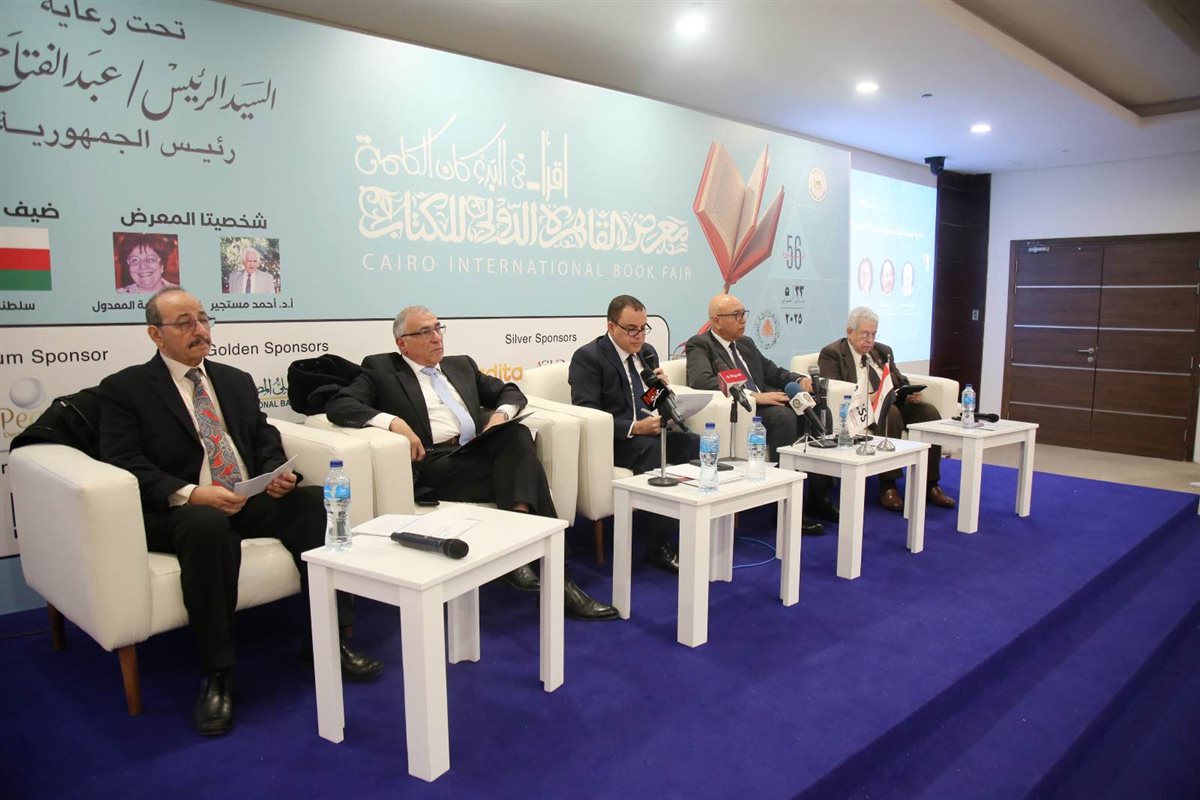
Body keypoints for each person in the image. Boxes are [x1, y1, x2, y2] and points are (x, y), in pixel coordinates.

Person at [98, 288, 383, 738]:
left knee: (314, 503)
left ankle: (329, 640)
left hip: (247, 496)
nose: (199, 330)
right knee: (208, 526)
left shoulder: (234, 379)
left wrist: (277, 474)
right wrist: (192, 493)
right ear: (155, 334)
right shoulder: (125, 388)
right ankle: (218, 673)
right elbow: (124, 461)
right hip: (183, 508)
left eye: (203, 319)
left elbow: (263, 437)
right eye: (185, 323)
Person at [326, 306, 618, 622]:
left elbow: (510, 392)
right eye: (425, 332)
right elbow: (340, 405)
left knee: (515, 433)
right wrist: (393, 422)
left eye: (438, 328)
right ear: (402, 343)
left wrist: (499, 416)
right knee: (528, 470)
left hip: (475, 454)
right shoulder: (381, 370)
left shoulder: (460, 365)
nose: (436, 337)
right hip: (434, 462)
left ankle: (521, 552)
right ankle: (558, 582)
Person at [685, 293, 836, 530]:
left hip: (766, 402)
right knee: (783, 417)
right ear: (716, 321)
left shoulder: (745, 344)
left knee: (819, 410)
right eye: (736, 315)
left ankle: (819, 497)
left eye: (743, 313)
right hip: (746, 409)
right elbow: (701, 380)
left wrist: (799, 379)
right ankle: (786, 508)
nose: (743, 319)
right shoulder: (700, 344)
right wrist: (753, 396)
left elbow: (773, 372)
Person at [568, 295, 697, 571]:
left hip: (651, 431)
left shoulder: (647, 353)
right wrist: (635, 427)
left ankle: (692, 526)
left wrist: (661, 390)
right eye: (631, 329)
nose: (639, 336)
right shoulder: (588, 358)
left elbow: (644, 401)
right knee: (653, 451)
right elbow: (587, 413)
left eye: (643, 328)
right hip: (615, 440)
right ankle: (659, 544)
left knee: (693, 444)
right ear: (611, 326)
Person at [818, 306, 956, 512]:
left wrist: (908, 392)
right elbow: (834, 389)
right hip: (861, 409)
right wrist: (868, 397)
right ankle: (888, 485)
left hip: (891, 401)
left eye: (873, 334)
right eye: (865, 334)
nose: (870, 340)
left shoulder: (883, 351)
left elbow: (899, 378)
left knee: (928, 412)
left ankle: (930, 484)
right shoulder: (833, 353)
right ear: (850, 332)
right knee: (890, 413)